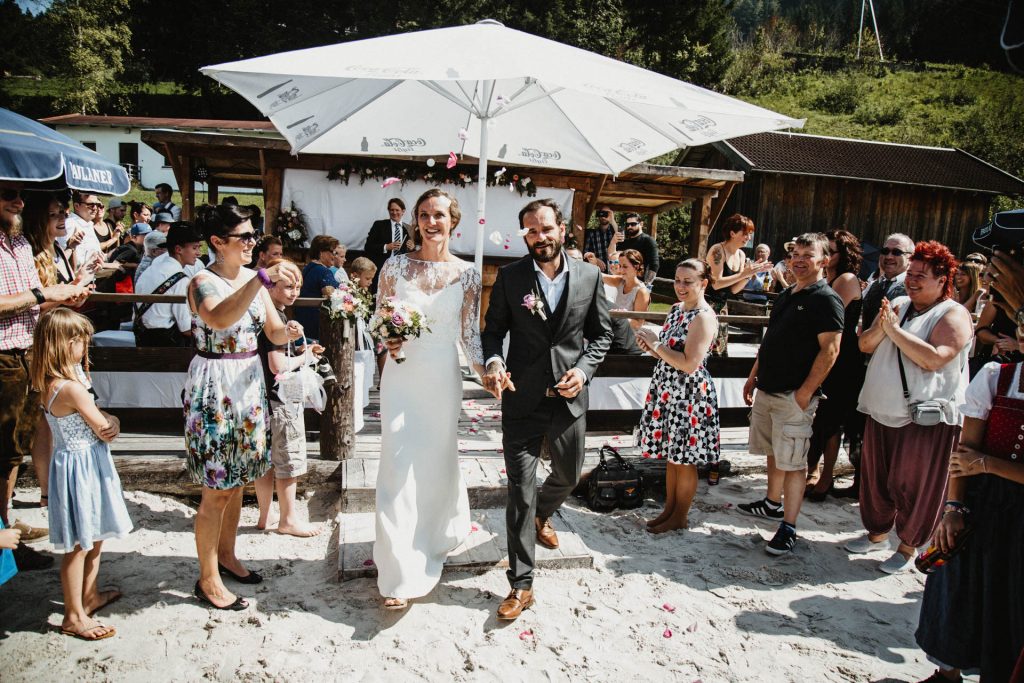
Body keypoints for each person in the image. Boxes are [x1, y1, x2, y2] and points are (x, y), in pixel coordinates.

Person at [481, 198, 612, 620]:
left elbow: (601, 335)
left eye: (546, 228)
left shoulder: (590, 275)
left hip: (569, 399)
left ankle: (542, 514)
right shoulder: (510, 276)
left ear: (562, 229)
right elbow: (492, 332)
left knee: (569, 474)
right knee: (520, 491)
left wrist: (585, 371)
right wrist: (494, 362)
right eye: (531, 231)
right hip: (521, 396)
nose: (540, 237)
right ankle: (522, 585)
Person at [184, 203, 302, 611]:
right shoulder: (201, 281)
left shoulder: (254, 280)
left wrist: (288, 330)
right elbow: (219, 318)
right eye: (244, 236)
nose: (252, 243)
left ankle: (227, 555)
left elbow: (272, 331)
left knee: (238, 482)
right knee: (217, 489)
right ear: (218, 242)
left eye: (254, 234)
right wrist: (260, 281)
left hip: (249, 385)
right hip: (215, 387)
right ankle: (207, 579)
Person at [371, 189, 484, 610]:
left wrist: (488, 372)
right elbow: (377, 318)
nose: (431, 222)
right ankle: (398, 572)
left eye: (439, 215)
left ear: (453, 220)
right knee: (396, 464)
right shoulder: (395, 265)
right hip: (401, 375)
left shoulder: (468, 274)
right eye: (423, 215)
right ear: (415, 221)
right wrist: (387, 336)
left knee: (436, 461)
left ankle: (436, 534)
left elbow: (469, 335)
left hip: (441, 377)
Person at [848, 241, 973, 573]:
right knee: (876, 480)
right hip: (882, 409)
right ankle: (876, 534)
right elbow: (865, 344)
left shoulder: (953, 314)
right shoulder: (900, 304)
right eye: (911, 274)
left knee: (915, 486)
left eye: (920, 275)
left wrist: (894, 330)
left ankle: (907, 547)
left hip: (925, 418)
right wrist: (883, 326)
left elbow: (934, 359)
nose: (912, 281)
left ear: (942, 279)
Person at [914, 334, 1024, 682]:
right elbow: (964, 454)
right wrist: (953, 508)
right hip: (983, 506)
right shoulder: (997, 376)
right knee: (959, 589)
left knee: (1011, 604)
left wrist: (988, 464)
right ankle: (947, 675)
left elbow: (976, 459)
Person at [0, 183, 91, 572]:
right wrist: (44, 294)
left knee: (12, 451)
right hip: (4, 355)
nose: (17, 202)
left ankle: (6, 531)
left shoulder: (19, 244)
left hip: (27, 353)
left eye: (20, 195)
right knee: (4, 452)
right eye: (8, 194)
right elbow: (27, 298)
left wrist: (64, 296)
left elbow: (33, 302)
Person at [737, 233, 843, 556]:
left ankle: (789, 526)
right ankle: (771, 503)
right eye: (795, 254)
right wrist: (753, 377)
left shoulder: (826, 298)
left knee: (795, 463)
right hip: (768, 388)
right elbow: (770, 340)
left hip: (794, 395)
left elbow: (831, 350)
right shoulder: (787, 294)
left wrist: (805, 393)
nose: (798, 260)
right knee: (774, 451)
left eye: (807, 255)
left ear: (824, 260)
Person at [30, 307, 132, 640]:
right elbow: (104, 428)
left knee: (94, 534)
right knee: (79, 544)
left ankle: (90, 596)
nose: (86, 346)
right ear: (64, 344)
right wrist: (114, 420)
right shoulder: (70, 388)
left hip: (79, 462)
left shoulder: (54, 382)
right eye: (81, 341)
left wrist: (105, 418)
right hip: (82, 467)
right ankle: (73, 615)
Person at [635, 259, 719, 531]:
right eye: (677, 280)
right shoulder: (675, 310)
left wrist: (656, 343)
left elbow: (689, 364)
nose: (680, 286)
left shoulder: (704, 317)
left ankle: (680, 516)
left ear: (703, 283)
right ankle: (669, 511)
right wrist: (650, 347)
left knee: (685, 460)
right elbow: (668, 353)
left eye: (688, 282)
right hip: (668, 390)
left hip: (689, 396)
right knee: (673, 458)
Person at [253, 260, 322, 538]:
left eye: (298, 287)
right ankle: (288, 518)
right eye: (289, 286)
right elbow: (277, 364)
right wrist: (306, 357)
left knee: (266, 460)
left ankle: (265, 514)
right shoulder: (277, 320)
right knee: (288, 459)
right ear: (270, 286)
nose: (295, 292)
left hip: (261, 396)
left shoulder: (260, 315)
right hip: (280, 397)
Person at [805, 229, 864, 501]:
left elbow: (824, 314)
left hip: (843, 359)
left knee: (832, 420)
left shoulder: (847, 279)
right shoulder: (826, 278)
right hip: (822, 351)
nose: (827, 255)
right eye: (824, 250)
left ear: (845, 254)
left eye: (832, 251)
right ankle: (812, 470)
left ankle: (826, 476)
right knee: (818, 418)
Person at [706, 214, 771, 356]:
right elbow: (716, 284)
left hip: (722, 306)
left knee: (720, 352)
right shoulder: (717, 250)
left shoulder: (741, 255)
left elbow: (735, 290)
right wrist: (743, 274)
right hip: (705, 305)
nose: (748, 238)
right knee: (704, 349)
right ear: (732, 233)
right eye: (745, 234)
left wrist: (750, 274)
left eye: (750, 234)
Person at [134, 223, 204, 347]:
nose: (198, 253)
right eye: (195, 248)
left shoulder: (151, 269)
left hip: (142, 338)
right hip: (166, 344)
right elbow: (186, 328)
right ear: (178, 249)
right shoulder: (180, 279)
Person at [861, 233, 914, 332]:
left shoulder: (913, 289)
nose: (889, 256)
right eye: (885, 251)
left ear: (910, 258)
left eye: (896, 252)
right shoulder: (874, 285)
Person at [293, 235, 339, 340]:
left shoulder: (307, 268)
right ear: (321, 252)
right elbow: (331, 295)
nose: (335, 256)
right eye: (333, 252)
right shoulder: (324, 272)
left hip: (302, 321)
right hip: (316, 325)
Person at [363, 198, 411, 293]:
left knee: (397, 295)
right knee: (378, 294)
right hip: (382, 268)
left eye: (397, 210)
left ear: (403, 211)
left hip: (400, 270)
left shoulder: (408, 229)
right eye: (391, 210)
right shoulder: (379, 225)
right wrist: (386, 247)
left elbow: (412, 250)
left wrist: (412, 247)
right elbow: (368, 247)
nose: (394, 212)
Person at [601, 248, 650, 330]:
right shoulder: (620, 281)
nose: (621, 270)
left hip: (630, 334)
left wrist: (619, 316)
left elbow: (638, 324)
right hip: (617, 329)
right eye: (620, 266)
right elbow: (600, 276)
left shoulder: (641, 291)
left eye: (625, 266)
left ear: (636, 266)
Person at [616, 213, 660, 284]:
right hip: (623, 283)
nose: (629, 227)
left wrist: (647, 284)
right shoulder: (624, 242)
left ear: (641, 224)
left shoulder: (648, 240)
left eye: (633, 224)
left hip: (639, 283)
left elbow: (654, 265)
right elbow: (614, 258)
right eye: (627, 224)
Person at [582, 204, 619, 273]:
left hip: (615, 270)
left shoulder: (614, 231)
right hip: (599, 271)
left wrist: (612, 220)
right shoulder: (592, 234)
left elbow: (620, 237)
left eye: (606, 213)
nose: (603, 216)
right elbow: (586, 253)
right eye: (602, 213)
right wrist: (596, 259)